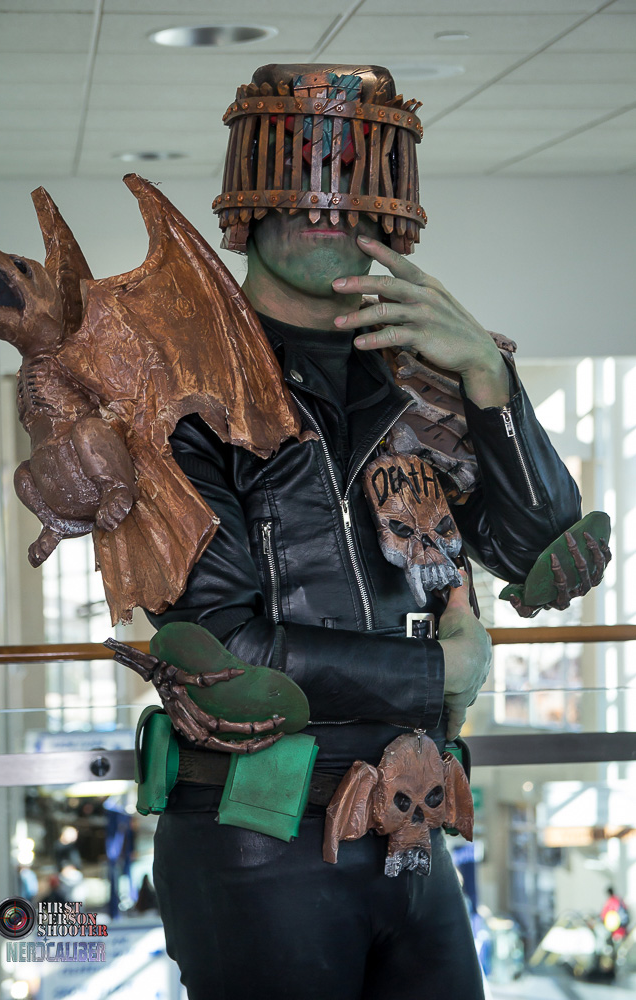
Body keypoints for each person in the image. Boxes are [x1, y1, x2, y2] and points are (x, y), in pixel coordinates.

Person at [147, 64, 582, 1000]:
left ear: (391, 207)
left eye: (349, 178)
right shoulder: (175, 393)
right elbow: (223, 651)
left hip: (413, 826)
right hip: (254, 834)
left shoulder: (419, 376)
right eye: (299, 173)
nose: (324, 201)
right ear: (249, 200)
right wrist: (439, 672)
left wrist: (488, 381)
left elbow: (542, 553)